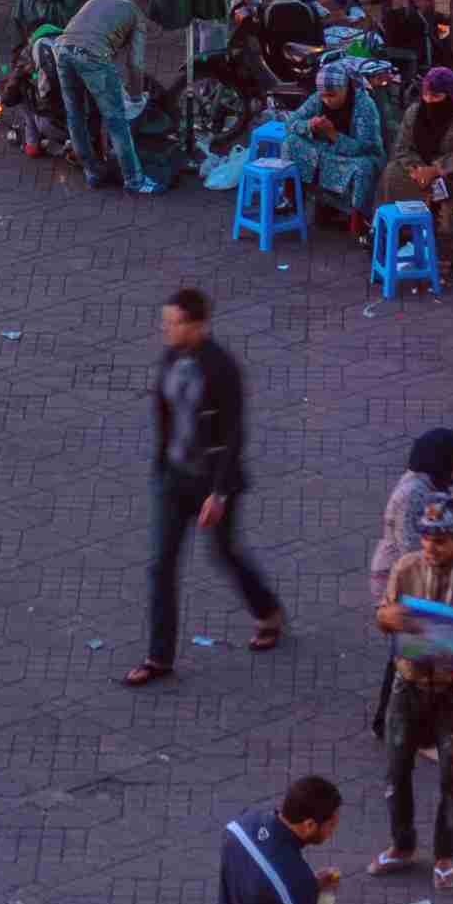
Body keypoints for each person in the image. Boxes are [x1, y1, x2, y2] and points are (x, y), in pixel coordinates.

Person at [131, 283, 281, 685]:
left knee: (224, 552)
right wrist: (162, 462)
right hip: (173, 477)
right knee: (161, 565)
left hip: (211, 483)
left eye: (174, 323)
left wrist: (219, 493)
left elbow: (233, 434)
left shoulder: (221, 368)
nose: (166, 329)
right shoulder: (170, 357)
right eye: (166, 322)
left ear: (198, 326)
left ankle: (267, 611)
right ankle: (159, 657)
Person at [371, 485, 453, 885]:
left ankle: (445, 855)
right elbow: (382, 614)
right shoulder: (406, 568)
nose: (429, 547)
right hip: (407, 685)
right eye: (425, 537)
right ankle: (401, 845)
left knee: (452, 777)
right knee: (395, 769)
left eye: (439, 540)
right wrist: (391, 618)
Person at [218, 777, 348, 904]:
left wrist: (309, 886)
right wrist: (326, 896)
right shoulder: (296, 885)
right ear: (309, 825)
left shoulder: (239, 826)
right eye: (331, 825)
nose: (333, 831)